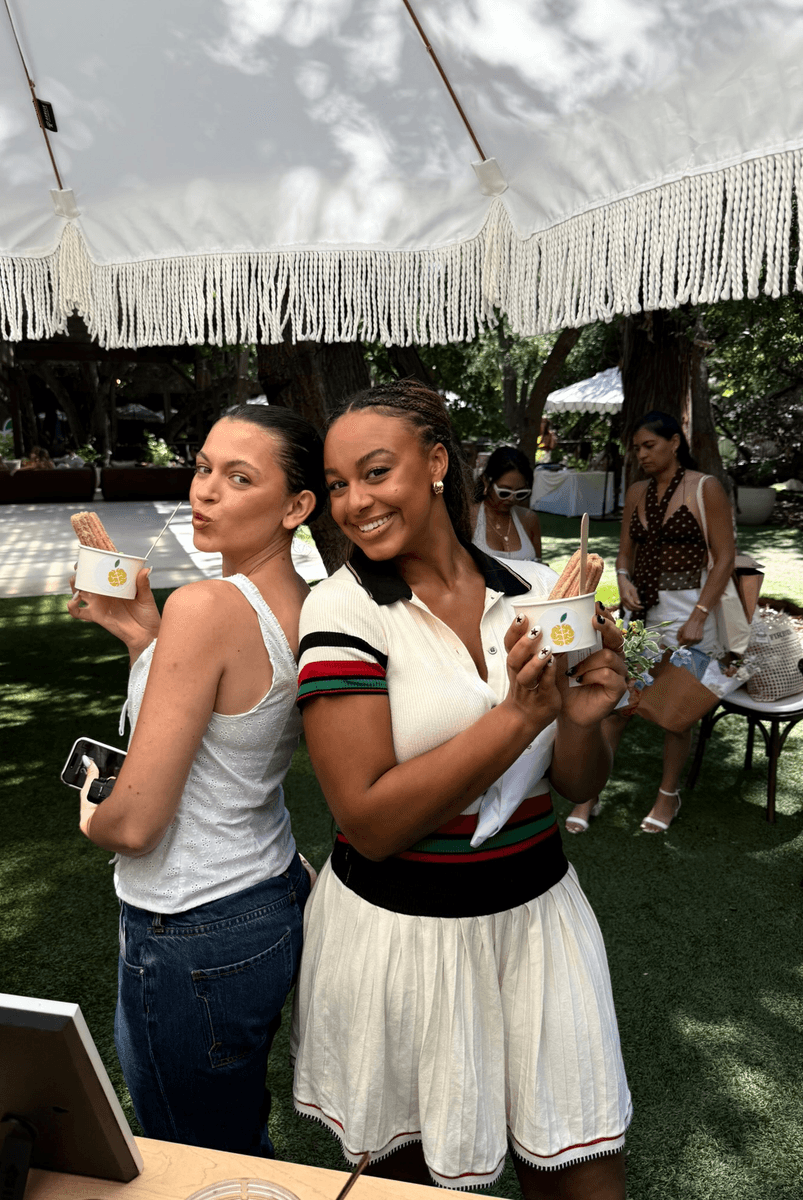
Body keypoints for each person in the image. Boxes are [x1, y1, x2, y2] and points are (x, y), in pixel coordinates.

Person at [291, 381, 631, 1199]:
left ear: (437, 462)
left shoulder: (535, 588)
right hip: (403, 939)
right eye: (338, 485)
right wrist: (518, 716)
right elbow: (368, 823)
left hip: (538, 921)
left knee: (585, 1179)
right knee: (415, 1184)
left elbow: (576, 785)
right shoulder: (340, 611)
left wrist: (582, 718)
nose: (354, 503)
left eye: (376, 473)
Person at [66, 404, 326, 1156]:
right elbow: (229, 732)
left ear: (296, 506)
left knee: (197, 1156)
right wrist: (141, 633)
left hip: (190, 925)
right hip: (269, 894)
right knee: (235, 1131)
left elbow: (137, 825)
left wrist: (92, 806)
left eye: (239, 477)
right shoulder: (303, 605)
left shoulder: (208, 605)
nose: (205, 490)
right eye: (205, 466)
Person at [565, 411, 736, 836]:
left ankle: (667, 795)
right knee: (618, 704)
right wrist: (622, 579)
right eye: (636, 448)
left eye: (649, 445)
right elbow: (625, 553)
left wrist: (699, 615)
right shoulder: (638, 491)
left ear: (675, 443)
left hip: (690, 612)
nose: (641, 454)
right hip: (640, 615)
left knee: (678, 710)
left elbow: (726, 557)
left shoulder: (705, 488)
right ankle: (590, 790)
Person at [472, 444, 542, 560]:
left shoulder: (529, 520)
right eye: (504, 492)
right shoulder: (468, 518)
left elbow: (539, 565)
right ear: (486, 482)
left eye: (520, 493)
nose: (512, 499)